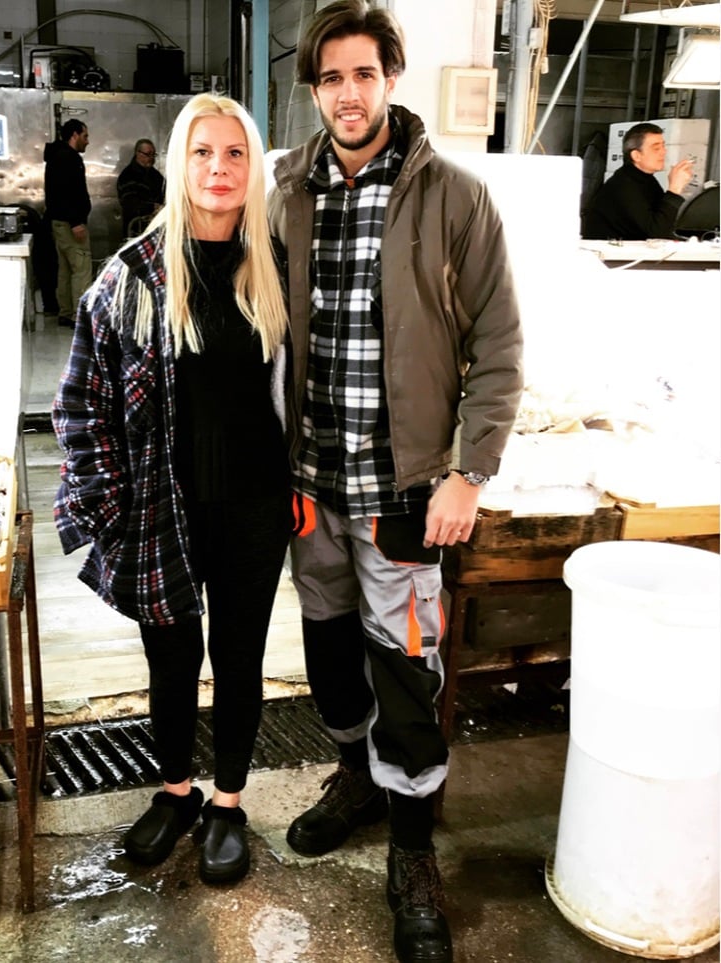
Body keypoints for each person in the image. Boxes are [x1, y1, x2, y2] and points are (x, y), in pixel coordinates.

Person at [267, 3, 523, 961]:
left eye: (364, 74)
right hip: (311, 486)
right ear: (314, 89)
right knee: (330, 654)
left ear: (391, 79)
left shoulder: (455, 197)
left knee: (407, 671)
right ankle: (356, 777)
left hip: (405, 491)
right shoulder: (286, 192)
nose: (348, 93)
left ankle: (412, 849)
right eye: (331, 77)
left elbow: (499, 341)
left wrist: (470, 470)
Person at [52, 94, 290, 886]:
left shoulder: (276, 267)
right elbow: (79, 400)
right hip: (164, 506)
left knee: (240, 657)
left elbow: (301, 393)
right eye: (202, 152)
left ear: (252, 168)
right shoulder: (134, 275)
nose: (219, 169)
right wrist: (108, 504)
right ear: (180, 164)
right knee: (171, 657)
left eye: (235, 153)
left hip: (257, 505)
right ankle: (176, 789)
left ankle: (228, 801)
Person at [582, 122, 694, 240]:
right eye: (656, 148)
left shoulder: (646, 180)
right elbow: (656, 233)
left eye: (663, 146)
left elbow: (664, 223)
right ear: (636, 156)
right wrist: (674, 189)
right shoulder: (623, 185)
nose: (663, 152)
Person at [44, 119, 92, 327]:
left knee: (65, 269)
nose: (87, 141)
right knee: (81, 268)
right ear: (74, 135)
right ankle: (79, 315)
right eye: (85, 136)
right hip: (71, 224)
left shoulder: (56, 156)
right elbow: (68, 193)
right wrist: (76, 222)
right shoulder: (69, 158)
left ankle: (65, 311)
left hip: (58, 222)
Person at [116, 137, 166, 237]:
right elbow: (129, 203)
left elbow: (166, 191)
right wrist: (152, 207)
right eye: (148, 154)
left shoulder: (155, 175)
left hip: (154, 229)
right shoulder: (127, 176)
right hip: (136, 230)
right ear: (137, 153)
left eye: (153, 155)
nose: (151, 158)